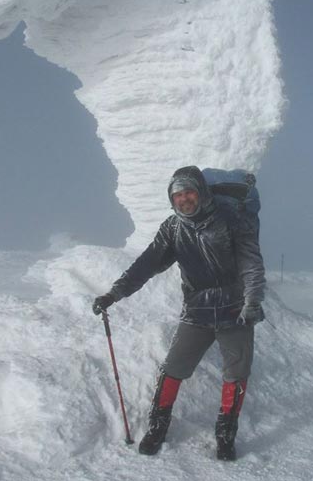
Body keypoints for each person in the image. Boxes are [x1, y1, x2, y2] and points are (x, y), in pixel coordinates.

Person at [92, 165, 265, 461]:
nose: (184, 199)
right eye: (178, 195)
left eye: (189, 192)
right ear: (172, 200)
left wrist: (252, 302)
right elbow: (146, 264)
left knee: (236, 373)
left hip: (235, 311)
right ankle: (158, 426)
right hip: (196, 311)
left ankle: (225, 435)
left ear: (202, 192)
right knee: (173, 368)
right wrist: (114, 293)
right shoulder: (173, 228)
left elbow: (251, 263)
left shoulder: (231, 220)